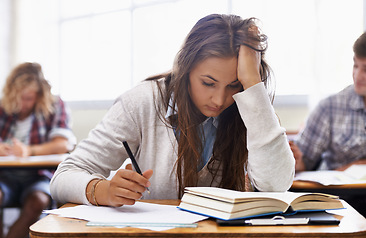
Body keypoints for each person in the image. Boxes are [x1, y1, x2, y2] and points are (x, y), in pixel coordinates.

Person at [50, 14, 295, 207]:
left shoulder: (250, 103)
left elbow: (277, 186)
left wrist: (252, 85)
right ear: (185, 70)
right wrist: (102, 190)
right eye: (208, 83)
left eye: (234, 85)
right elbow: (63, 177)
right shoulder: (143, 101)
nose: (220, 100)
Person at [290, 32, 366, 216]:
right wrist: (295, 160)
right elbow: (304, 162)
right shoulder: (330, 107)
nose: (357, 75)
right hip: (342, 201)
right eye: (355, 65)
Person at [0, 62, 76, 238]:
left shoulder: (55, 106)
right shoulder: (3, 108)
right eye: (18, 97)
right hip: (5, 176)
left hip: (40, 175)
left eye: (28, 98)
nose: (22, 104)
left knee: (38, 201)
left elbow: (62, 144)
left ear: (39, 95)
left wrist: (29, 150)